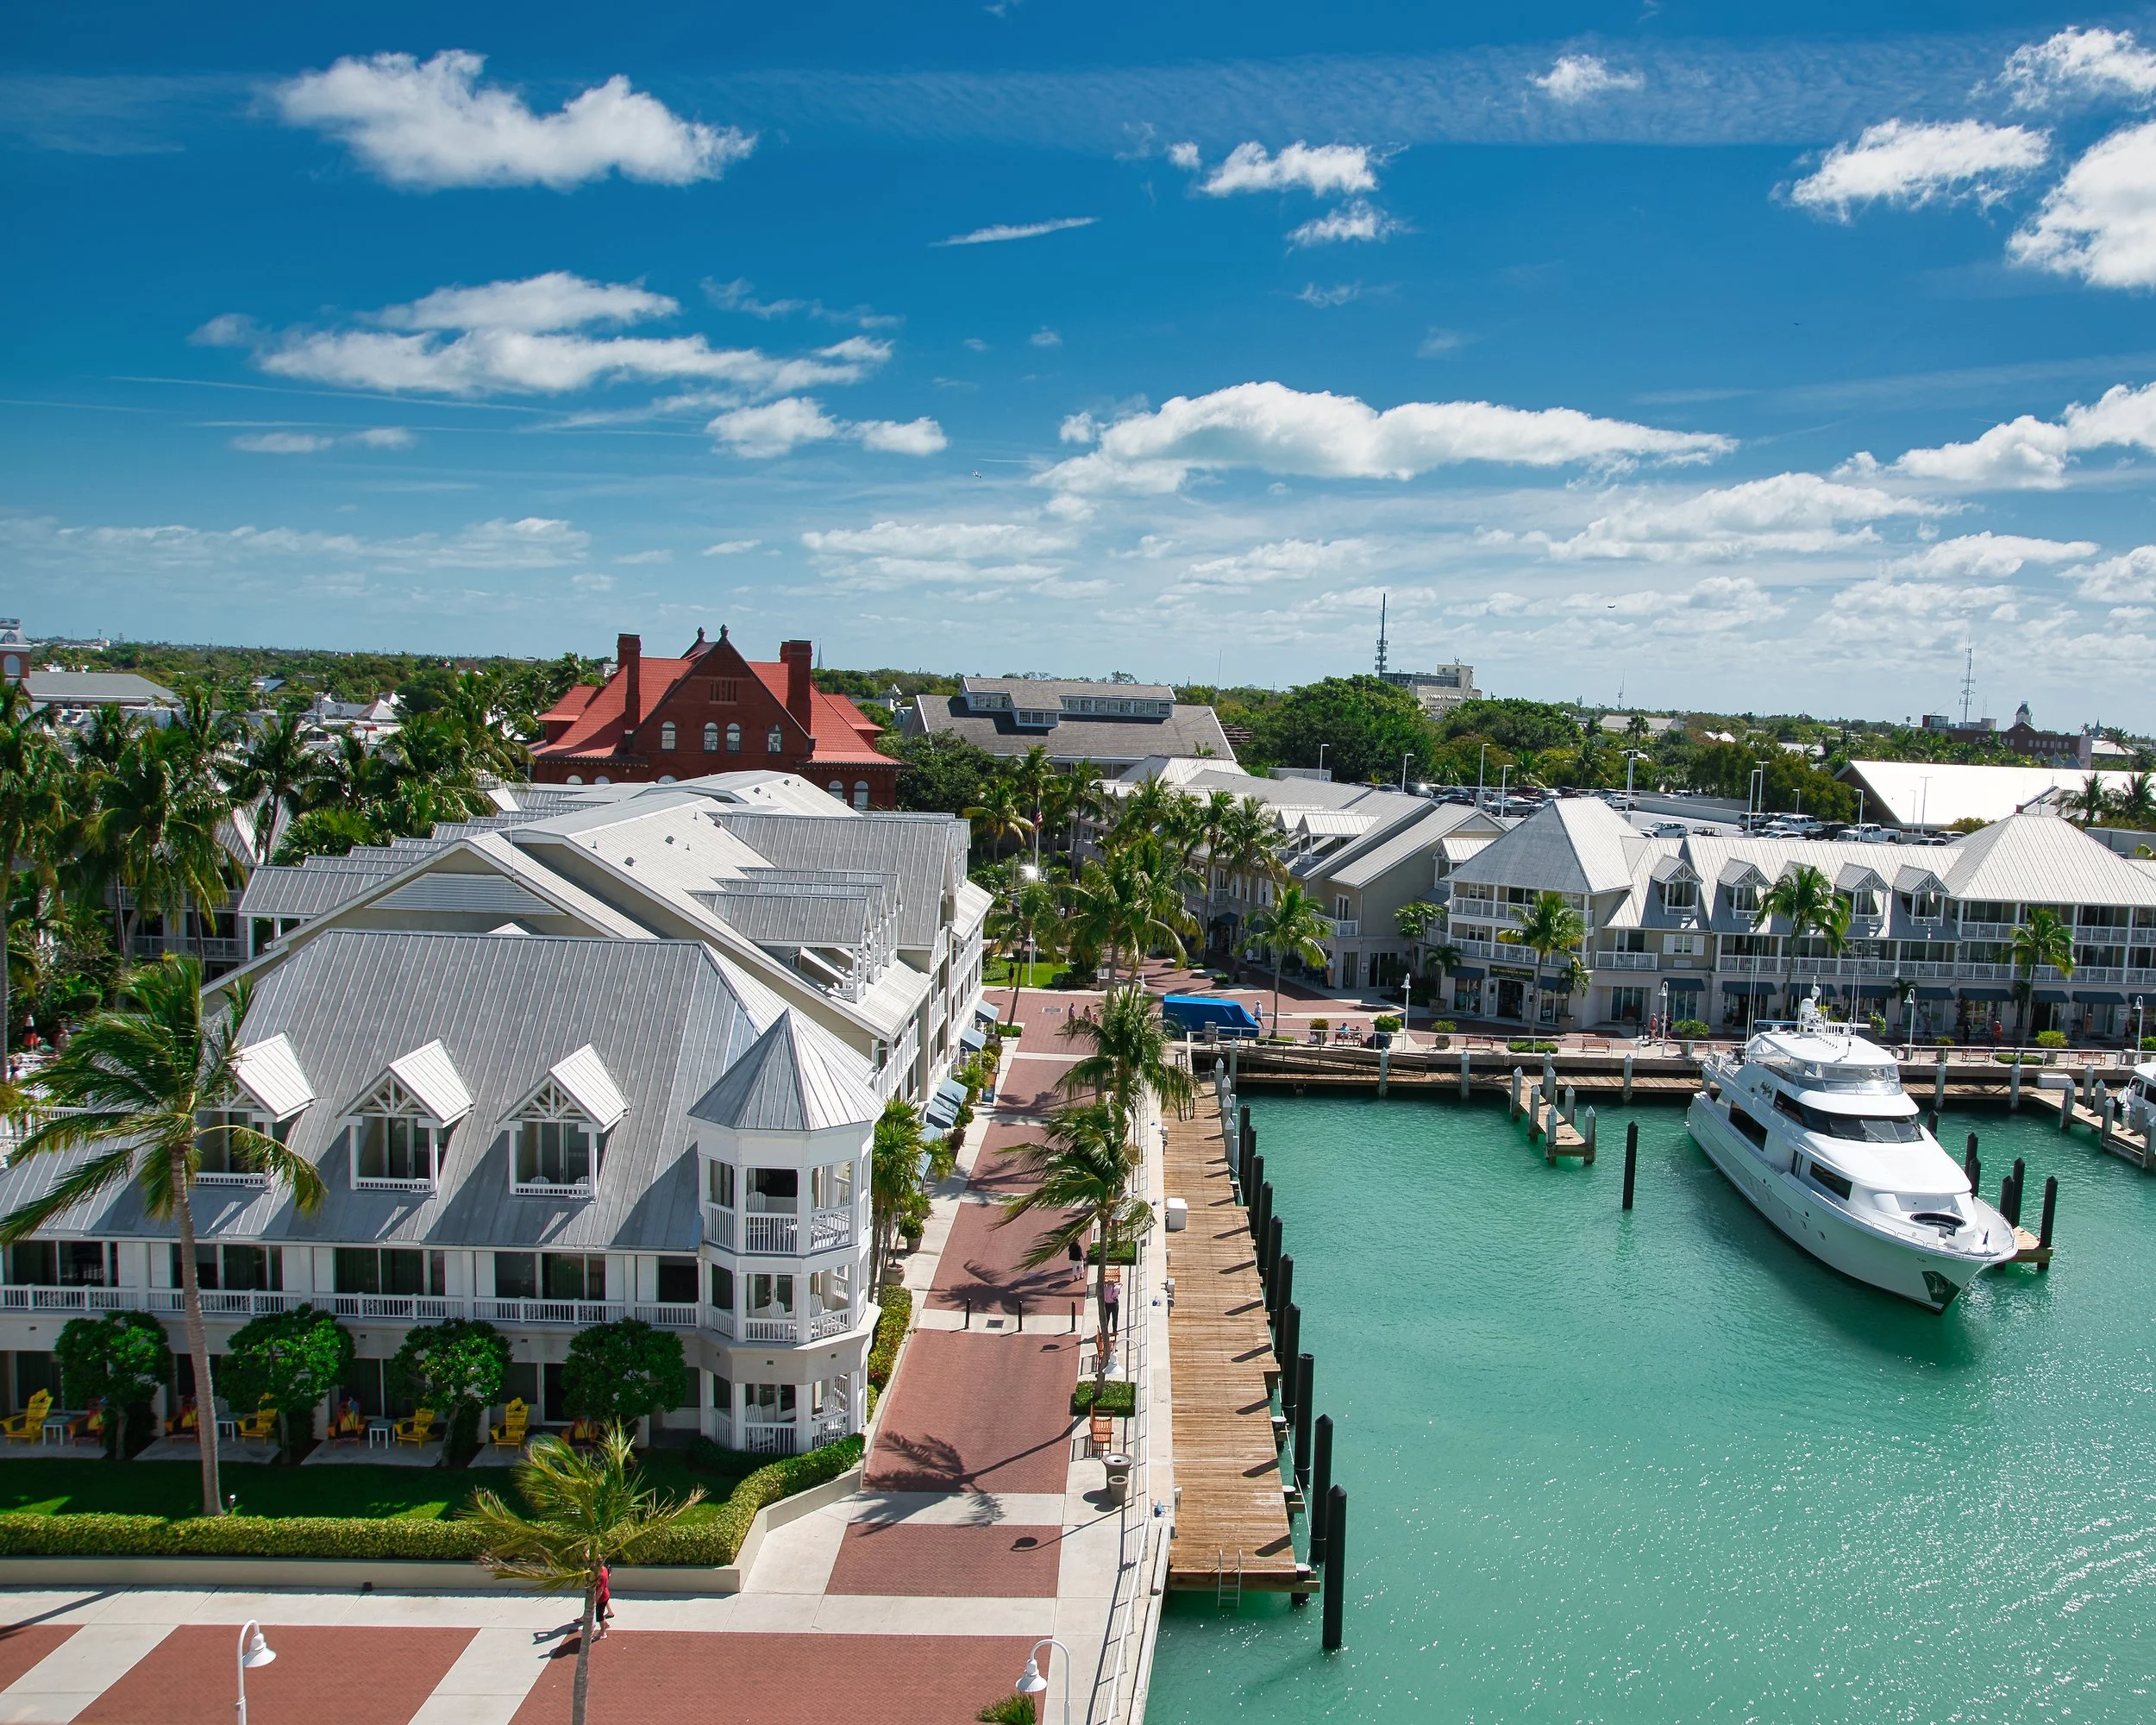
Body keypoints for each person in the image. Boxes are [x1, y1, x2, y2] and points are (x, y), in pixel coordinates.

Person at [593, 1562, 612, 1638]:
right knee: (600, 1614)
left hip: (602, 1599)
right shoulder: (604, 1569)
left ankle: (603, 1632)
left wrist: (595, 1601)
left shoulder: (602, 1576)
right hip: (605, 1595)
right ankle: (606, 1624)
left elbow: (600, 1591)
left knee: (599, 1616)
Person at [1102, 1269, 1121, 1338]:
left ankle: (1105, 1331)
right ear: (1113, 1283)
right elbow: (1119, 1288)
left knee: (1107, 1317)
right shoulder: (1115, 1289)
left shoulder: (1105, 1289)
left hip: (1107, 1304)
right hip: (1114, 1304)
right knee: (1115, 1318)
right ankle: (1114, 1331)